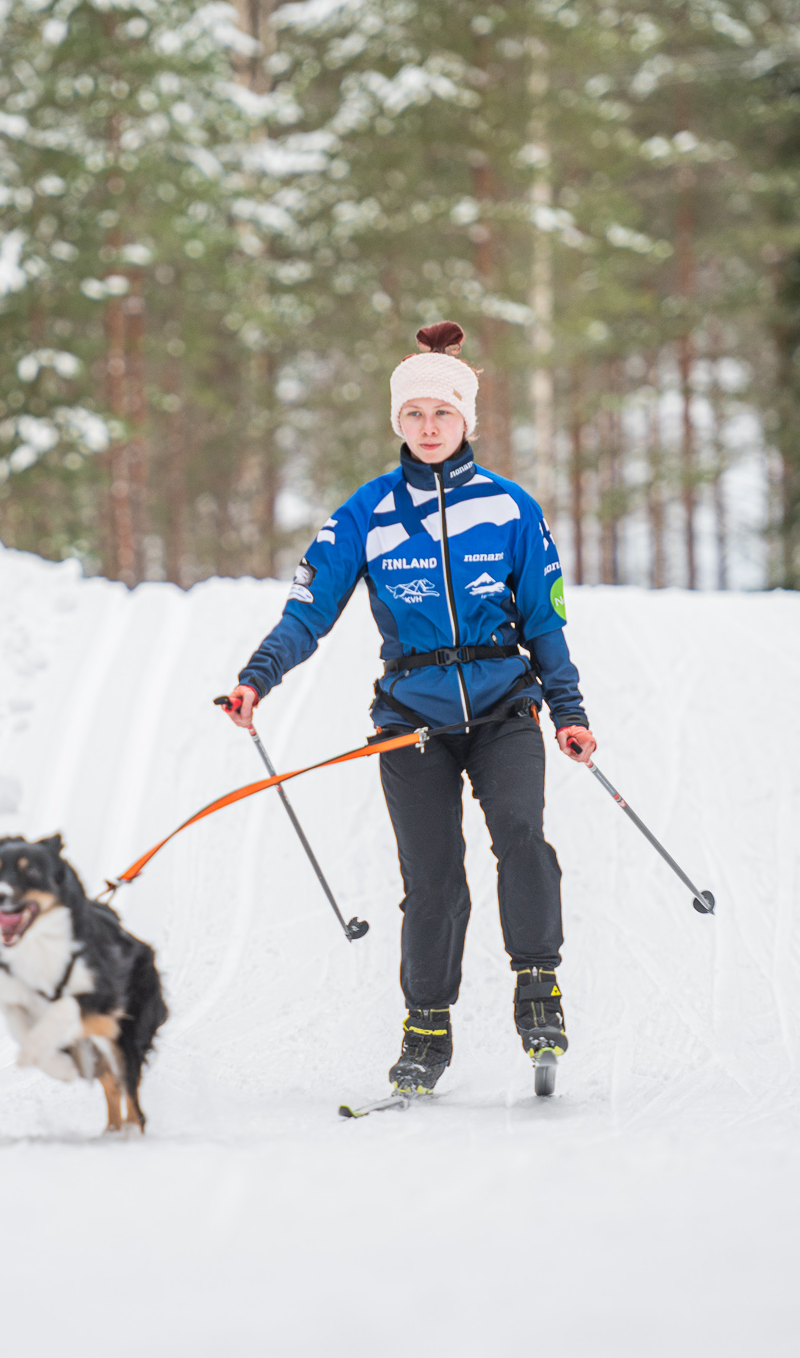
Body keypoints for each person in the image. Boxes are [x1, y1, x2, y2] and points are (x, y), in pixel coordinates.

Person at [220, 320, 596, 1097]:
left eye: (443, 414)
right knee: (432, 877)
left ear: (467, 420)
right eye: (415, 415)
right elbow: (307, 613)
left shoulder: (510, 509)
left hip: (503, 708)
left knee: (521, 838)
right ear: (399, 422)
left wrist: (568, 709)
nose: (429, 428)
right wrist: (259, 676)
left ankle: (539, 989)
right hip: (411, 719)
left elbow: (547, 621)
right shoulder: (366, 513)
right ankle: (426, 1027)